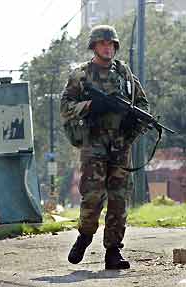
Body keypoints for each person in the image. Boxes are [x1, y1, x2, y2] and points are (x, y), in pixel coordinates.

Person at [60, 25, 149, 269]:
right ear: (94, 46)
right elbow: (65, 107)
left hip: (121, 145)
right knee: (93, 197)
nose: (108, 47)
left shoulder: (124, 73)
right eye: (103, 43)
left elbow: (142, 103)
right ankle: (85, 235)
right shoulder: (82, 75)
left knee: (119, 200)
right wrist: (89, 106)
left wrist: (134, 121)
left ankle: (113, 252)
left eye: (111, 44)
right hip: (94, 144)